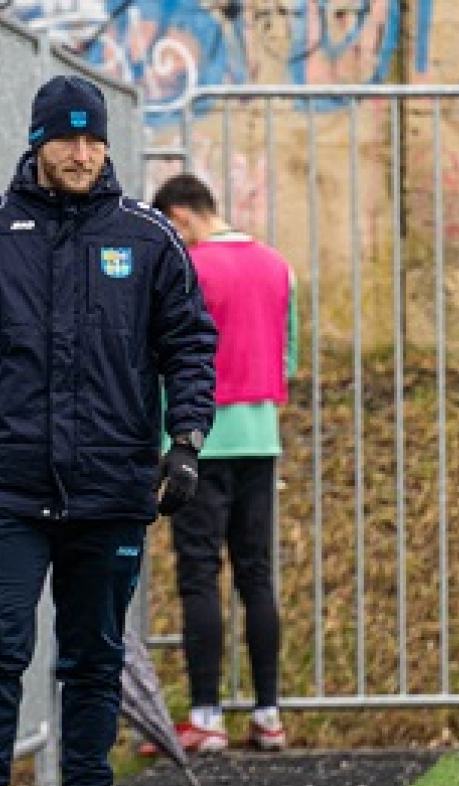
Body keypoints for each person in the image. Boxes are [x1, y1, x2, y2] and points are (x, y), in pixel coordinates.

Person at [0, 75, 217, 786]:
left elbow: (189, 343)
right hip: (7, 489)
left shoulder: (147, 236)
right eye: (67, 138)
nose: (82, 153)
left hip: (112, 489)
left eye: (94, 139)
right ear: (38, 142)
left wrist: (185, 440)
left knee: (93, 659)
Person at [150, 173, 298, 752]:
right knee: (256, 575)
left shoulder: (189, 270)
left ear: (180, 217)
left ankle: (207, 716)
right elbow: (289, 355)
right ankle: (269, 714)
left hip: (200, 441)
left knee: (198, 573)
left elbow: (168, 355)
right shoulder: (276, 265)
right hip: (261, 438)